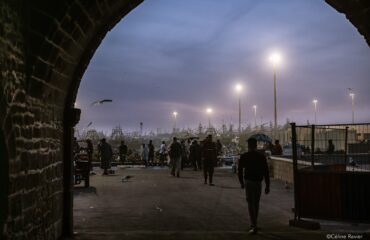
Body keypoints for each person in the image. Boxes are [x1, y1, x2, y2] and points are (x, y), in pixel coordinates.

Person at [238, 137, 270, 234]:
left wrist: (241, 183)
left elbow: (239, 170)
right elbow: (266, 172)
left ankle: (254, 224)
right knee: (256, 203)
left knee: (250, 204)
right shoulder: (261, 157)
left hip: (248, 182)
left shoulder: (244, 156)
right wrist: (267, 185)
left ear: (248, 146)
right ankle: (254, 223)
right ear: (256, 145)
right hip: (258, 182)